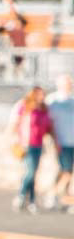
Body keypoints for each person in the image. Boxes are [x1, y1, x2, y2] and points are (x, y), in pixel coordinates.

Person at [11, 85, 52, 213]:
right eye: (40, 95)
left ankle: (31, 200)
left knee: (33, 173)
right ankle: (22, 195)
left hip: (38, 144)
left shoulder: (44, 109)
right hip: (26, 144)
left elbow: (48, 127)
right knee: (30, 171)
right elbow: (16, 124)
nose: (42, 97)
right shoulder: (26, 107)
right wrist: (15, 139)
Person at [48, 75, 74, 212]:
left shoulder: (72, 100)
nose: (70, 86)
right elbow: (49, 123)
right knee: (66, 170)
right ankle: (53, 195)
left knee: (67, 170)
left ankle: (63, 198)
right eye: (67, 83)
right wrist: (54, 140)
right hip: (61, 141)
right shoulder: (53, 101)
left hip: (72, 141)